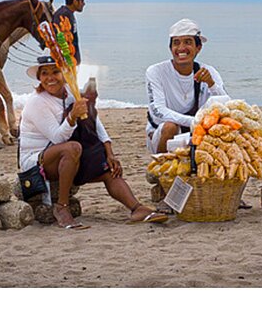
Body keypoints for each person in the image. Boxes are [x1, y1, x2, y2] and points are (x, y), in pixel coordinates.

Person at [18, 55, 168, 230]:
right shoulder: (37, 102)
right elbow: (58, 138)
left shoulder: (70, 92)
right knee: (73, 148)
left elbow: (95, 122)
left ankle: (136, 208)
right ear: (39, 78)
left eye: (55, 72)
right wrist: (72, 116)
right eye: (44, 73)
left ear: (64, 74)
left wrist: (109, 152)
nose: (50, 78)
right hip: (37, 160)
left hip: (67, 154)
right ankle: (62, 206)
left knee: (108, 169)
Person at [145, 19, 227, 154]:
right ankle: (161, 165)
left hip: (198, 131)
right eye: (176, 43)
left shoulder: (208, 72)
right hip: (164, 132)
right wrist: (195, 121)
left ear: (198, 48)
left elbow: (226, 106)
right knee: (170, 127)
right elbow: (158, 112)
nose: (181, 48)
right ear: (170, 48)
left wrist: (212, 85)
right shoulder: (156, 71)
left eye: (188, 42)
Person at [52, 0, 89, 65]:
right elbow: (61, 40)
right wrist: (68, 62)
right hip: (66, 64)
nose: (84, 4)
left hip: (72, 63)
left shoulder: (69, 14)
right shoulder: (63, 15)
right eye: (82, 0)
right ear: (75, 1)